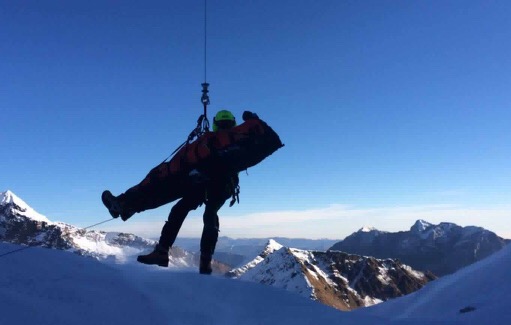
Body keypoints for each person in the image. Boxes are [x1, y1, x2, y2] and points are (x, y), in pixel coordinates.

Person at [136, 110, 239, 274]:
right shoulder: (235, 140)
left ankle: (163, 252)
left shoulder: (216, 140)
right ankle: (204, 262)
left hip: (210, 182)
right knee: (207, 214)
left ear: (215, 124)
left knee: (184, 210)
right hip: (218, 184)